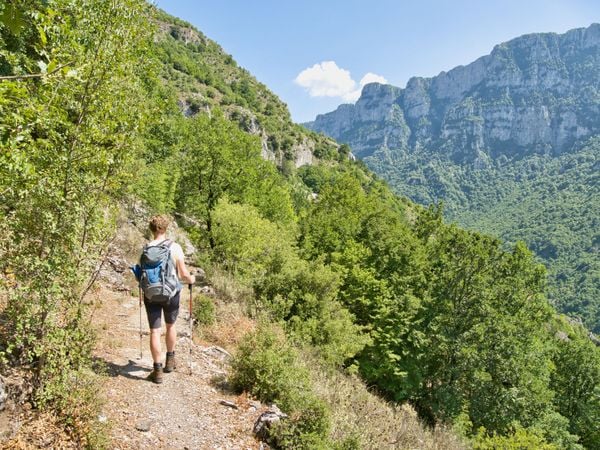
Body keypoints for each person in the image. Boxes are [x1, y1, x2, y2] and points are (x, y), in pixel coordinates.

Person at [143, 215, 195, 384]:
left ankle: (157, 371)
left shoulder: (146, 248)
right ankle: (170, 362)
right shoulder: (175, 247)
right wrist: (191, 280)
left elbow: (140, 274)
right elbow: (183, 274)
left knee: (155, 331)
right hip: (171, 293)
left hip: (151, 294)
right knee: (171, 326)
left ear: (152, 229)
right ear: (165, 228)